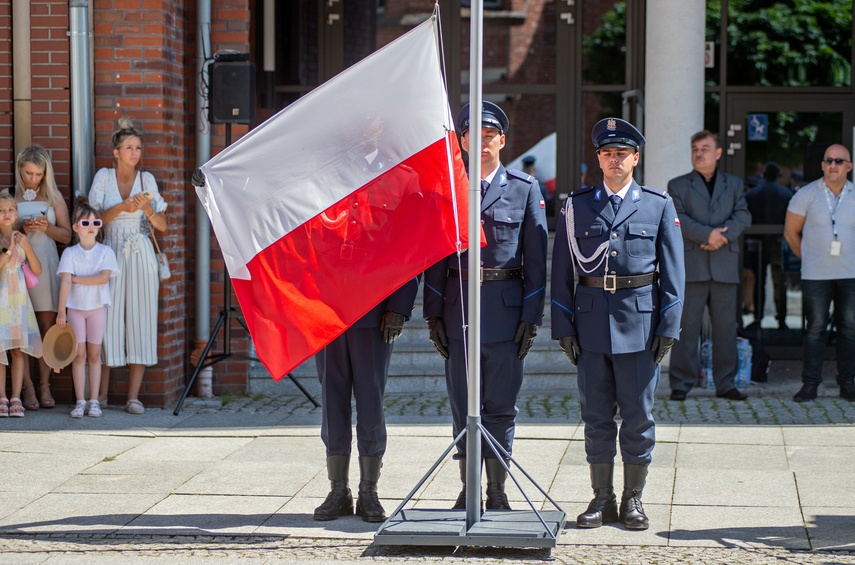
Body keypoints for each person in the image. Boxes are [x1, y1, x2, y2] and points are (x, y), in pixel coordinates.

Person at [551, 117, 684, 531]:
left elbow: (674, 273)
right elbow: (561, 272)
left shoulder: (657, 204)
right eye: (607, 153)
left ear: (636, 158)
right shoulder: (577, 206)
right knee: (595, 416)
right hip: (590, 326)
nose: (614, 160)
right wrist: (563, 326)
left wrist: (669, 327)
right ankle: (601, 498)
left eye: (622, 153)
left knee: (639, 417)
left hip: (640, 326)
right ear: (598, 159)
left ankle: (633, 500)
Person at [423, 101, 548, 511]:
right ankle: (469, 487)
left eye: (490, 135)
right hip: (460, 310)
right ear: (461, 140)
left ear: (502, 140)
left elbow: (535, 260)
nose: (483, 142)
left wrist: (531, 317)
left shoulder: (525, 189)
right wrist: (433, 313)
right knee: (463, 403)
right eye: (473, 135)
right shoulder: (449, 188)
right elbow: (436, 258)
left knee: (500, 405)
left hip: (505, 310)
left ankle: (496, 490)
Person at [312, 115, 422, 523]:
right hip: (329, 308)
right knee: (333, 399)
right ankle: (337, 490)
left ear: (379, 125)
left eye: (369, 120)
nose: (361, 127)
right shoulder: (323, 176)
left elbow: (411, 244)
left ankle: (369, 491)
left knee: (371, 400)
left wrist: (399, 305)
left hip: (375, 308)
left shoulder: (401, 176)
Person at [88, 118, 167, 415]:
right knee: (107, 321)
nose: (134, 153)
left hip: (140, 252)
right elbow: (94, 222)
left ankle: (134, 397)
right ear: (116, 152)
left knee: (141, 319)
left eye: (138, 148)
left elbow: (162, 225)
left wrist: (146, 208)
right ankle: (103, 393)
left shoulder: (147, 181)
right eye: (129, 148)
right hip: (109, 252)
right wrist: (122, 207)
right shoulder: (104, 178)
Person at [667, 130, 752, 401]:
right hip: (693, 265)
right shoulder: (678, 185)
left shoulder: (734, 184)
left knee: (726, 328)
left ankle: (725, 383)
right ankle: (681, 383)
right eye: (695, 148)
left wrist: (722, 236)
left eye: (705, 148)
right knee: (686, 327)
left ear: (717, 153)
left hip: (725, 265)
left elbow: (743, 214)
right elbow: (677, 217)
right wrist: (707, 235)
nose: (699, 153)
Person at [784, 144, 855, 403]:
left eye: (839, 160)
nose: (833, 165)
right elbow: (791, 233)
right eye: (828, 160)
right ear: (823, 165)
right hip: (816, 275)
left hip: (850, 275)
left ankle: (848, 383)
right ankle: (810, 384)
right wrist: (809, 259)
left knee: (849, 329)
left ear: (849, 166)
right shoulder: (806, 194)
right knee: (815, 329)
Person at [3, 146, 72, 410]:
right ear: (20, 169)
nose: (33, 178)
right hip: (16, 268)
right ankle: (27, 388)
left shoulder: (53, 195)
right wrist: (20, 227)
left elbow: (67, 236)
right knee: (20, 327)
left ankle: (45, 385)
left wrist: (47, 227)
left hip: (45, 263)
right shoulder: (10, 195)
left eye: (38, 174)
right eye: (29, 173)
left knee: (45, 327)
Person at [57, 198, 120, 418]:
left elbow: (103, 279)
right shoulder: (70, 254)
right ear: (75, 227)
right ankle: (80, 401)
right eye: (85, 223)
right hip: (75, 310)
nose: (91, 227)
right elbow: (65, 281)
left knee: (94, 355)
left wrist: (77, 280)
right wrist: (61, 311)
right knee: (78, 354)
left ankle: (94, 401)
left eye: (95, 223)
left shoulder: (105, 252)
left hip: (96, 309)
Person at [0, 193, 43, 418]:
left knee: (17, 350)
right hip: (1, 300)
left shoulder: (22, 237)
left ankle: (16, 396)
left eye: (10, 210)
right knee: (0, 350)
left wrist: (25, 245)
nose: (6, 214)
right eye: (1, 210)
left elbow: (36, 270)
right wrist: (10, 248)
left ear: (16, 213)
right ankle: (2, 398)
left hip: (18, 300)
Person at [744, 161, 793, 329]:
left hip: (757, 243)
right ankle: (782, 319)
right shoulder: (786, 194)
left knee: (760, 281)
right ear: (778, 175)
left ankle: (758, 318)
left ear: (764, 174)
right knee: (780, 281)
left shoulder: (752, 194)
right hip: (778, 243)